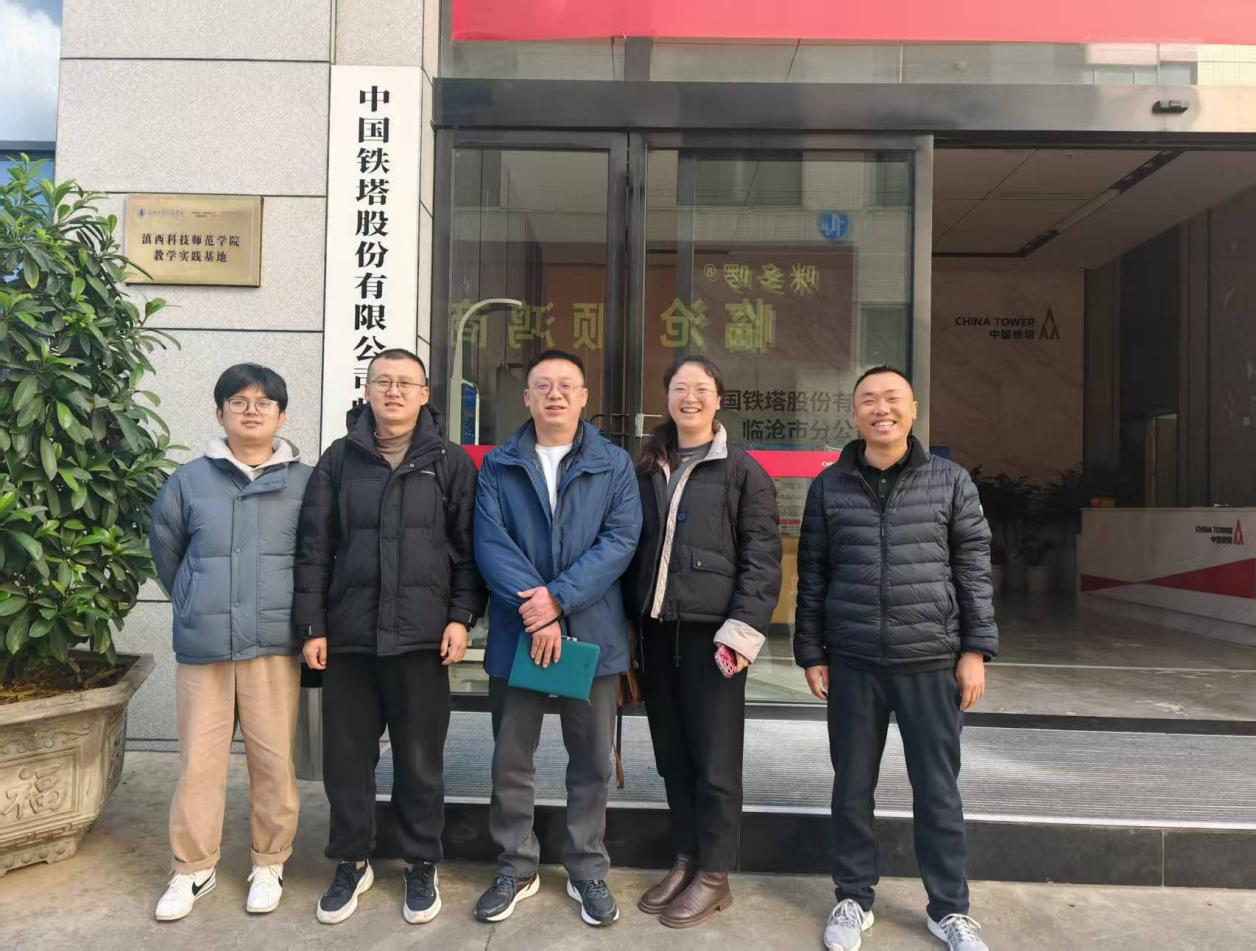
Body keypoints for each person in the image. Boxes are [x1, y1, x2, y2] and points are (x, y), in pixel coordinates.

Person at [794, 366, 999, 951]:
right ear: (854, 413)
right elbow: (813, 575)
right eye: (868, 400)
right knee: (851, 788)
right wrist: (811, 652)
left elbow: (973, 570)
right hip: (853, 661)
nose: (880, 409)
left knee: (937, 789)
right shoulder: (829, 486)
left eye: (892, 399)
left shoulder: (951, 481)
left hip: (930, 661)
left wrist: (975, 650)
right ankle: (853, 899)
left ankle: (949, 909)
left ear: (912, 410)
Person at [293, 348, 484, 926]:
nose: (394, 392)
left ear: (424, 394)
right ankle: (352, 860)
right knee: (347, 760)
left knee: (420, 759)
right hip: (349, 637)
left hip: (422, 640)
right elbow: (314, 549)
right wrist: (312, 627)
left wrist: (461, 617)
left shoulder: (450, 462)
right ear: (368, 391)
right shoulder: (338, 459)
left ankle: (420, 861)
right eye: (383, 382)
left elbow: (468, 551)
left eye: (405, 383)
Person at [471, 348, 642, 928]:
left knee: (590, 761)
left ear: (584, 396)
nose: (555, 395)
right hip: (519, 631)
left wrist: (558, 600)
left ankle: (586, 867)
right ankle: (515, 866)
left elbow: (620, 542)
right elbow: (490, 544)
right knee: (510, 759)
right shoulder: (498, 464)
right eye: (543, 385)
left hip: (590, 635)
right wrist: (539, 613)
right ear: (526, 397)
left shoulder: (614, 465)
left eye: (567, 385)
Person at [623, 356, 782, 928]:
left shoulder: (743, 472)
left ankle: (715, 874)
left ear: (719, 399)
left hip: (714, 638)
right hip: (656, 631)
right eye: (679, 388)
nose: (689, 397)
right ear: (666, 397)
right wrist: (627, 627)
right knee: (672, 755)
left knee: (715, 761)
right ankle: (686, 857)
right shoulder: (646, 466)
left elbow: (762, 563)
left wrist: (740, 635)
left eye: (701, 388)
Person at [149, 364, 312, 922]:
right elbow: (167, 551)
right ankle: (192, 867)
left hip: (274, 644)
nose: (251, 411)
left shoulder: (304, 482)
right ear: (220, 413)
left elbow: (317, 557)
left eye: (264, 403)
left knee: (273, 760)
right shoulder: (189, 480)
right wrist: (195, 598)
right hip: (206, 646)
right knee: (199, 762)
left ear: (281, 416)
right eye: (238, 401)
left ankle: (270, 861)